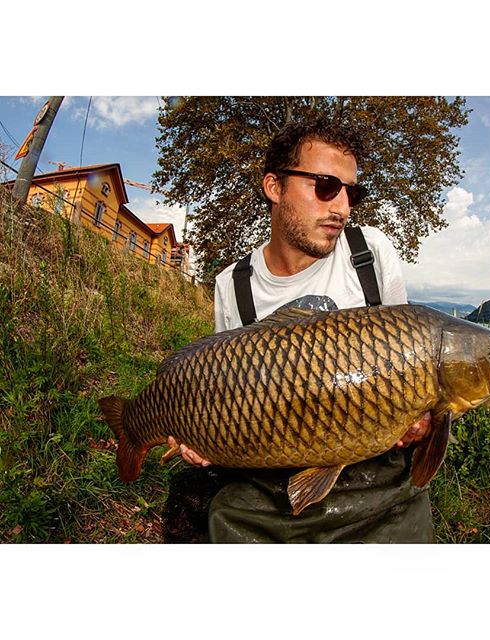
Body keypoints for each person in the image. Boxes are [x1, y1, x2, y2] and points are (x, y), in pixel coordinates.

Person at [166, 117, 434, 543]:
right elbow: (220, 391)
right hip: (275, 455)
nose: (343, 207)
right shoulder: (232, 286)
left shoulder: (371, 254)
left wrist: (419, 419)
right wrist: (204, 436)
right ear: (274, 187)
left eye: (352, 192)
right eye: (326, 186)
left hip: (371, 460)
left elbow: (408, 364)